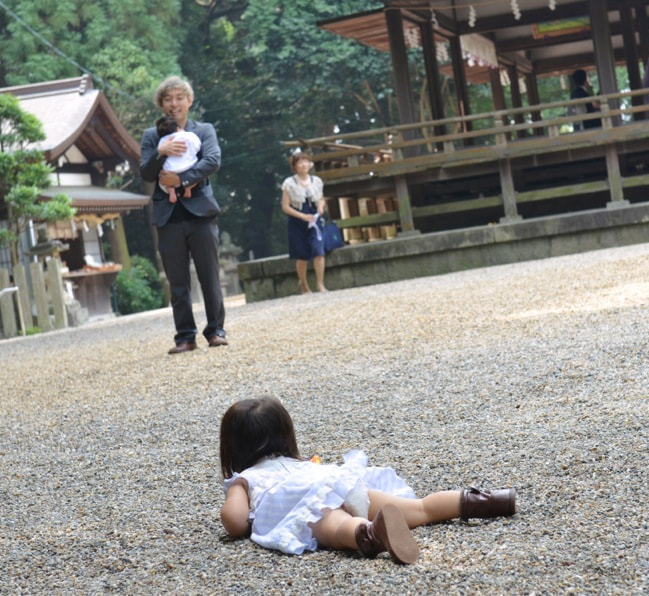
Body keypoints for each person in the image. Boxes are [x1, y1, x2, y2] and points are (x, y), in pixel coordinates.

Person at [219, 397, 517, 564]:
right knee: (420, 508)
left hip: (305, 506)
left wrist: (239, 515)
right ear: (286, 434)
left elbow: (234, 521)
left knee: (337, 525)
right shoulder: (303, 464)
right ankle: (484, 500)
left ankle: (370, 533)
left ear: (233, 449)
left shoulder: (246, 479)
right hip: (341, 481)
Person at [140, 76, 227, 354]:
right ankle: (185, 336)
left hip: (200, 212)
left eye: (179, 98)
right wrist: (160, 152)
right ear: (161, 104)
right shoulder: (151, 136)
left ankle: (216, 330)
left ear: (189, 101)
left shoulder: (203, 130)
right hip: (168, 216)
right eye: (168, 99)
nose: (174, 104)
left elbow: (212, 161)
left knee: (209, 275)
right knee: (177, 281)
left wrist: (183, 179)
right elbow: (146, 172)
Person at [281, 153, 328, 293]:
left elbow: (321, 198)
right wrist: (302, 216)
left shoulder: (317, 181)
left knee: (319, 251)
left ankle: (320, 284)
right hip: (297, 220)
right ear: (294, 166)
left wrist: (321, 206)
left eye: (306, 161)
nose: (303, 165)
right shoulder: (289, 183)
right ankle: (303, 284)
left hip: (314, 219)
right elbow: (285, 207)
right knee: (301, 255)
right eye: (300, 162)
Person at [155, 115, 201, 204]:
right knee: (197, 177)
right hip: (189, 168)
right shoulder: (189, 135)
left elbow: (160, 154)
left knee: (162, 182)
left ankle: (171, 191)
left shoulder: (163, 141)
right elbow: (197, 147)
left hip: (170, 171)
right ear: (178, 128)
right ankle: (188, 188)